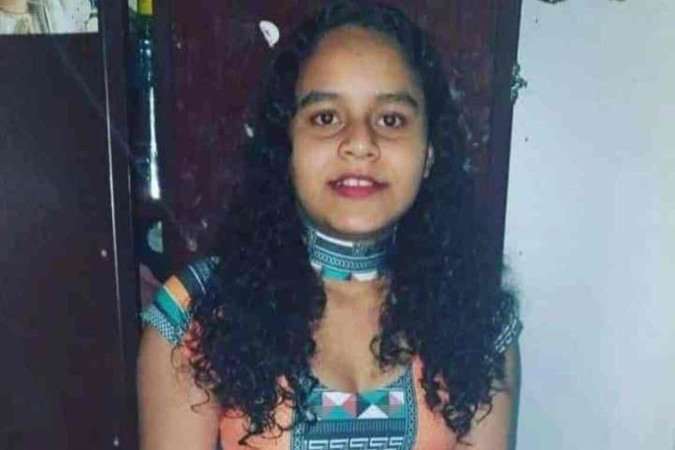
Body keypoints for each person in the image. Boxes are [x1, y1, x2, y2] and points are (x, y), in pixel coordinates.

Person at [137, 1, 522, 449]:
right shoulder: (196, 316)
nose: (359, 142)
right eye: (326, 117)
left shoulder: (477, 323)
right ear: (287, 146)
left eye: (391, 119)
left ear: (429, 153)